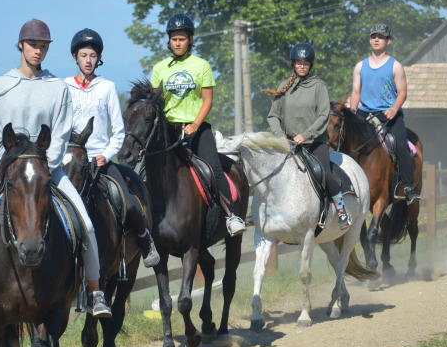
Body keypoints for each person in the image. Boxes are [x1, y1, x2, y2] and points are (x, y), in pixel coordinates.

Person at [0, 19, 111, 318]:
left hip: (47, 170)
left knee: (87, 225)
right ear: (21, 45)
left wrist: (47, 164)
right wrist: (5, 166)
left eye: (43, 46)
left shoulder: (57, 87)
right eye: (33, 45)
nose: (38, 51)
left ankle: (94, 292)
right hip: (8, 172)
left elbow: (61, 129)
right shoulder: (0, 85)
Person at [65, 28, 159, 268]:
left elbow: (118, 132)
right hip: (71, 160)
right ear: (75, 56)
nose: (88, 60)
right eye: (84, 55)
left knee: (127, 202)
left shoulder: (107, 87)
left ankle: (145, 240)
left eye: (93, 56)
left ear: (99, 59)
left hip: (99, 159)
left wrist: (105, 155)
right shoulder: (64, 87)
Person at [150, 13, 246, 235]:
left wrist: (194, 124)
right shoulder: (159, 68)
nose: (177, 43)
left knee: (213, 169)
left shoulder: (201, 65)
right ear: (169, 40)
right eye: (174, 39)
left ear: (190, 40)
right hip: (170, 130)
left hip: (198, 128)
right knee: (150, 169)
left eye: (182, 39)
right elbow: (156, 101)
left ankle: (231, 216)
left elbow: (208, 101)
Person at [263, 42, 351, 229]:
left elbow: (323, 116)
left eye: (305, 63)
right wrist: (279, 135)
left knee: (325, 173)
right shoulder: (284, 87)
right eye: (298, 63)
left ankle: (342, 211)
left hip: (315, 142)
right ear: (293, 64)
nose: (302, 66)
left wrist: (306, 134)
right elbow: (272, 116)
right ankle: (264, 212)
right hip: (289, 144)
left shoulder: (319, 86)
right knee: (271, 172)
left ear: (311, 65)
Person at [350, 23, 420, 205]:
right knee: (347, 141)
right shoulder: (360, 66)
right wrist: (352, 109)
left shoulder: (395, 66)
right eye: (373, 36)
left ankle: (408, 187)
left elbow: (402, 92)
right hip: (365, 113)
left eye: (380, 37)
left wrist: (394, 109)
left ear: (388, 41)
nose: (376, 39)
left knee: (401, 146)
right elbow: (356, 92)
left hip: (390, 114)